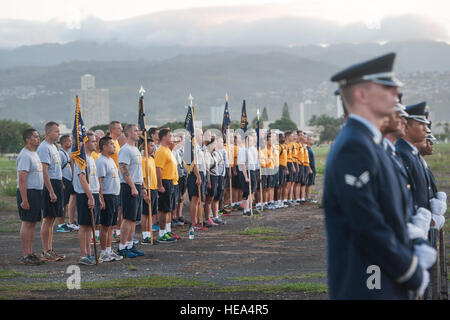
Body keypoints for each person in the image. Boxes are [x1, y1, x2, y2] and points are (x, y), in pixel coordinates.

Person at [324, 53, 434, 299]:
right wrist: (411, 271)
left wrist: (414, 241)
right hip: (369, 285)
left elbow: (392, 215)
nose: (396, 94)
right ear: (362, 95)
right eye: (387, 87)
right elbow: (368, 226)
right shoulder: (355, 146)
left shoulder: (370, 144)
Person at [37, 121, 65, 262]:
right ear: (48, 133)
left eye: (59, 131)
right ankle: (45, 251)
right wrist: (51, 191)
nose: (58, 134)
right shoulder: (43, 148)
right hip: (50, 184)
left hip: (57, 182)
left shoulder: (54, 147)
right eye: (56, 131)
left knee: (53, 218)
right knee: (48, 219)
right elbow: (44, 171)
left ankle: (50, 249)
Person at [73, 132, 102, 265]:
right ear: (85, 143)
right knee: (84, 226)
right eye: (92, 141)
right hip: (85, 194)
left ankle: (89, 252)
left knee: (90, 226)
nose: (95, 144)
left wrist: (97, 196)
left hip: (93, 193)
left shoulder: (91, 158)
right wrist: (90, 196)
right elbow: (82, 178)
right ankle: (84, 254)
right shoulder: (81, 158)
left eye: (95, 141)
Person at [17, 129, 44, 265]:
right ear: (28, 139)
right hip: (29, 192)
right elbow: (22, 179)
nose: (38, 139)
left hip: (37, 192)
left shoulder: (34, 154)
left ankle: (30, 252)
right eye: (35, 137)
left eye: (38, 137)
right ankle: (25, 254)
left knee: (33, 223)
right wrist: (24, 199)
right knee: (27, 223)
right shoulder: (25, 155)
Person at [117, 124, 145, 257]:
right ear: (128, 134)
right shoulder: (125, 149)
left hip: (137, 185)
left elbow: (138, 171)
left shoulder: (136, 149)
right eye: (135, 131)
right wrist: (133, 187)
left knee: (134, 219)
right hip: (129, 186)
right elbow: (124, 169)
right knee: (127, 218)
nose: (138, 133)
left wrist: (142, 187)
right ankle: (122, 247)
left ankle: (130, 244)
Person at [96, 136, 123, 261]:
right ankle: (103, 252)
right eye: (111, 144)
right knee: (105, 225)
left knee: (111, 226)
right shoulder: (101, 161)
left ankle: (108, 249)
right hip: (107, 195)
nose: (114, 146)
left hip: (114, 195)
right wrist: (101, 198)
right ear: (104, 147)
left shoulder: (111, 160)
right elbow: (99, 181)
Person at [154, 128, 179, 243]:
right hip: (165, 181)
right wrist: (160, 185)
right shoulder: (161, 151)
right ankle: (162, 233)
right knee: (164, 209)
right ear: (164, 137)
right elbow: (158, 168)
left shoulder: (167, 149)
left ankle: (167, 231)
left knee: (169, 209)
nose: (171, 138)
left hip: (171, 181)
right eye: (170, 136)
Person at [57, 135, 78, 232]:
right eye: (69, 141)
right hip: (64, 180)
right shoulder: (60, 153)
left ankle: (66, 223)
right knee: (63, 203)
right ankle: (60, 224)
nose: (71, 143)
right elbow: (58, 169)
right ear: (64, 143)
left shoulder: (67, 153)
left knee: (66, 202)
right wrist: (61, 182)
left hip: (69, 179)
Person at [141, 138, 159, 245]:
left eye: (154, 145)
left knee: (151, 214)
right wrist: (144, 193)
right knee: (145, 214)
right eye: (151, 145)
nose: (153, 148)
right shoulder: (143, 160)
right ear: (145, 147)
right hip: (147, 188)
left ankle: (150, 234)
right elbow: (142, 177)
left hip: (153, 188)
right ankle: (145, 236)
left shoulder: (152, 159)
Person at [109, 121, 123, 242]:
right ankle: (113, 231)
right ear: (113, 129)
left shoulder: (116, 141)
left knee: (118, 207)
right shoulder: (110, 142)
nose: (121, 130)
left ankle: (116, 231)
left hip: (117, 176)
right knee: (114, 207)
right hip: (111, 178)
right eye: (119, 128)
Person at [305, 136, 317, 203]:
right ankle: (308, 198)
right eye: (311, 139)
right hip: (310, 168)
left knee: (310, 183)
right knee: (309, 184)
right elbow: (307, 160)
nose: (312, 140)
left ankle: (307, 197)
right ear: (308, 141)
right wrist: (309, 169)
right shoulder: (307, 149)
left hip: (313, 167)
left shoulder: (310, 149)